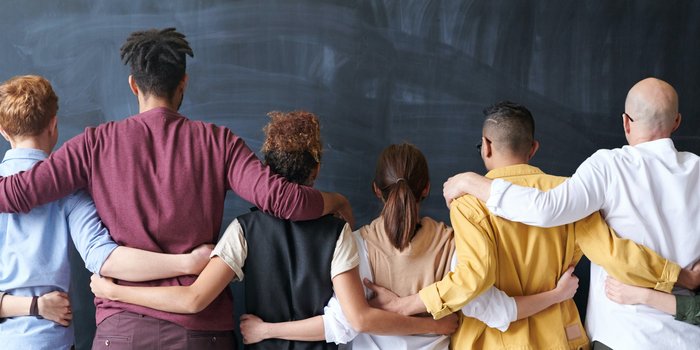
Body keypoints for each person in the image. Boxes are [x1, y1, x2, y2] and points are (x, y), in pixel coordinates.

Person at [0, 28, 352, 349]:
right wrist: (336, 199)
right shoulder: (219, 143)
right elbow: (282, 200)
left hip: (121, 333)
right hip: (202, 334)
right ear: (183, 83)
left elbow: (16, 194)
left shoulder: (93, 144)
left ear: (134, 85)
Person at [90, 112, 460, 350]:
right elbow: (352, 319)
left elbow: (193, 300)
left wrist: (114, 290)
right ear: (315, 171)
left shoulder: (243, 230)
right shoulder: (339, 233)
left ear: (265, 167)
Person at [365, 101, 687, 349]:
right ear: (533, 149)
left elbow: (473, 278)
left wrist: (405, 304)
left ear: (486, 146)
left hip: (490, 342)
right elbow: (615, 255)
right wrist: (677, 276)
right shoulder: (570, 194)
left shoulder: (468, 203)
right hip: (558, 338)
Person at [237, 142, 581, 349]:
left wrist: (266, 330)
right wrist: (556, 295)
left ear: (375, 189)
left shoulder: (356, 245)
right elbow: (497, 312)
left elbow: (341, 325)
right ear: (427, 188)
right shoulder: (452, 243)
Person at [441, 79, 700, 349]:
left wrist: (471, 182)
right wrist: (684, 277)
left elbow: (547, 209)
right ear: (677, 121)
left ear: (626, 122)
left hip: (624, 335)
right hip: (688, 336)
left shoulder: (608, 167)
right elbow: (612, 251)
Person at [0, 75, 213, 350]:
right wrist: (187, 263)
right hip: (51, 342)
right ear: (54, 124)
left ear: (3, 131)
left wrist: (28, 306)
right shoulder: (70, 192)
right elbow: (106, 260)